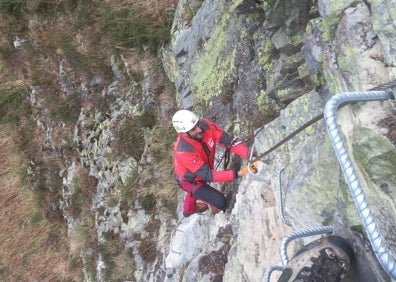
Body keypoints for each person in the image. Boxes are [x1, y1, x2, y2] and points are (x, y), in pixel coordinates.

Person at [172, 109, 258, 217]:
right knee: (221, 202)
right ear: (184, 133)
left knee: (200, 191)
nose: (199, 129)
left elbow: (228, 142)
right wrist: (238, 174)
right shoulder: (183, 151)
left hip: (203, 170)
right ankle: (189, 209)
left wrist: (250, 156)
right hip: (189, 181)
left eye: (197, 123)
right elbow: (209, 175)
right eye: (193, 129)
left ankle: (195, 199)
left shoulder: (206, 126)